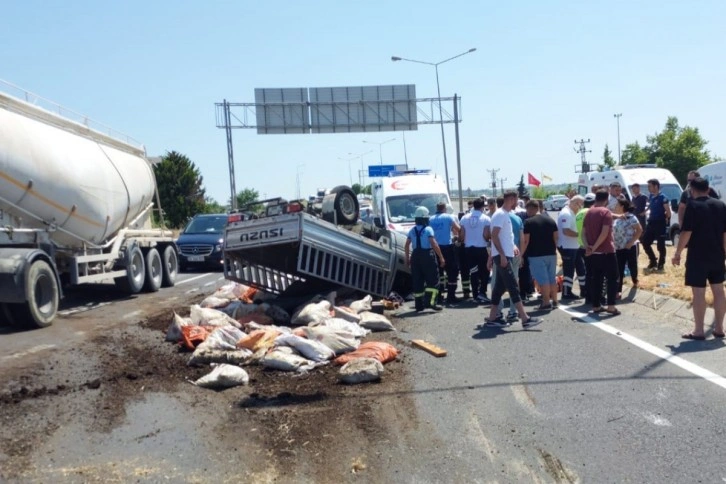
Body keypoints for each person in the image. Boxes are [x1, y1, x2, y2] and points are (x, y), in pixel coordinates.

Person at [672, 177, 726, 340]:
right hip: (717, 255)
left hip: (698, 256)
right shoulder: (721, 205)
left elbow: (686, 232)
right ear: (708, 189)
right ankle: (719, 328)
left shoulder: (693, 206)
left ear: (691, 190)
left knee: (698, 293)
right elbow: (725, 233)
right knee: (719, 290)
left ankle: (699, 330)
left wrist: (677, 253)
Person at [484, 191, 543, 329]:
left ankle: (493, 318)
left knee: (499, 288)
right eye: (516, 199)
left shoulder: (505, 215)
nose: (518, 202)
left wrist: (513, 246)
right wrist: (503, 255)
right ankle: (525, 319)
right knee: (513, 287)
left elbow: (505, 236)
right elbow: (494, 236)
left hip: (505, 254)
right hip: (502, 256)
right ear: (511, 199)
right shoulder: (500, 214)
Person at [583, 190, 619, 315]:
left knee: (597, 279)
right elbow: (604, 233)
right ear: (606, 199)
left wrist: (588, 247)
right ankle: (611, 306)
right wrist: (594, 247)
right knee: (612, 278)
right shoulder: (606, 212)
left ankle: (596, 305)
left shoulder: (589, 212)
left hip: (593, 253)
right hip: (606, 251)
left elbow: (583, 233)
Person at [404, 206, 445, 312]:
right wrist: (441, 257)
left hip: (415, 256)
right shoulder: (428, 229)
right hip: (427, 256)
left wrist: (407, 258)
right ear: (425, 218)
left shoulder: (412, 230)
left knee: (418, 281)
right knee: (433, 280)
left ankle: (419, 305)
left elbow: (407, 245)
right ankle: (431, 303)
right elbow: (434, 244)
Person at [521, 200, 559, 309]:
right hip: (551, 253)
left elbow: (526, 241)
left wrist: (521, 255)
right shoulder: (550, 220)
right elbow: (556, 238)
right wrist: (554, 250)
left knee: (543, 280)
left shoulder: (528, 222)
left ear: (530, 209)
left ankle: (546, 302)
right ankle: (555, 301)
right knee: (552, 278)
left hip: (536, 255)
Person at [459, 199, 491, 303]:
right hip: (481, 248)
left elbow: (462, 235)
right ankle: (482, 292)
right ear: (482, 207)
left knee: (473, 272)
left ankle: (475, 294)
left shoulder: (464, 218)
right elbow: (486, 235)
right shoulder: (486, 218)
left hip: (469, 249)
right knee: (485, 271)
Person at [429, 201, 461, 304]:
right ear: (444, 209)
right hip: (447, 248)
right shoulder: (448, 217)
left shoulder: (430, 219)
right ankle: (451, 296)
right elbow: (458, 228)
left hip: (435, 248)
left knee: (438, 272)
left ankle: (438, 296)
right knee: (452, 271)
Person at [613, 198, 643, 297]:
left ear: (622, 207)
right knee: (619, 269)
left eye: (617, 205)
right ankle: (618, 290)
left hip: (630, 247)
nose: (615, 207)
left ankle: (635, 280)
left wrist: (631, 242)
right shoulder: (616, 218)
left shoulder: (631, 217)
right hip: (618, 247)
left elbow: (639, 230)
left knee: (632, 265)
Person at [558, 195, 585, 300]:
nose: (581, 207)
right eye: (580, 204)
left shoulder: (572, 212)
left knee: (580, 268)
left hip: (574, 246)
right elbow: (566, 231)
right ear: (575, 203)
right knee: (569, 270)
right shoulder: (566, 213)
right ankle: (566, 292)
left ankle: (584, 289)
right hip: (567, 246)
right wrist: (580, 235)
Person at [642, 178, 671, 272]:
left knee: (660, 245)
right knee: (645, 242)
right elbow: (651, 205)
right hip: (651, 222)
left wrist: (665, 218)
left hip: (660, 223)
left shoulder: (663, 197)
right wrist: (645, 211)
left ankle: (661, 264)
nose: (648, 188)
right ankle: (653, 260)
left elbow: (668, 212)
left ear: (656, 186)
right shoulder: (651, 196)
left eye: (650, 186)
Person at [576, 193, 596, 302]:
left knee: (587, 271)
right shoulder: (590, 212)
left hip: (580, 245)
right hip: (588, 245)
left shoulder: (579, 213)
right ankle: (591, 296)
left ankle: (587, 294)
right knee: (592, 272)